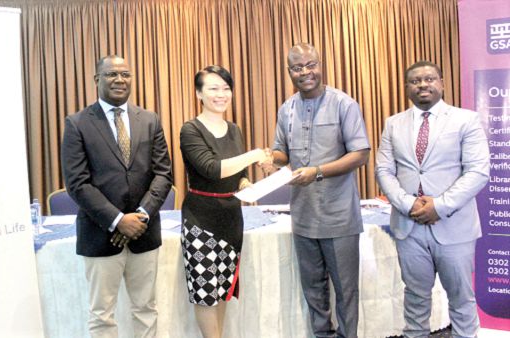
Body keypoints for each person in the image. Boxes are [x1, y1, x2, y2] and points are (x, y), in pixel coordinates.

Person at [261, 43, 370, 338]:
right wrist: (272, 160)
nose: (305, 72)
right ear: (289, 72)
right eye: (297, 68)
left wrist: (318, 172)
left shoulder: (344, 104)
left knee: (346, 291)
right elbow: (281, 150)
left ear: (321, 65)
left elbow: (360, 153)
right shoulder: (287, 108)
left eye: (311, 65)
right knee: (314, 291)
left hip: (339, 217)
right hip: (304, 217)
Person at [61, 55, 173, 338]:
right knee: (102, 315)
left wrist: (140, 216)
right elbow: (77, 183)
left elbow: (163, 175)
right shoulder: (77, 123)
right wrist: (118, 220)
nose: (120, 80)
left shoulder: (149, 119)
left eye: (125, 74)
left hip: (144, 233)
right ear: (97, 80)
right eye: (111, 74)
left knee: (146, 309)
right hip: (100, 234)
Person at [375, 61, 489, 338]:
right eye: (415, 81)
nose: (423, 85)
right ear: (406, 88)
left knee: (461, 300)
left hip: (454, 226)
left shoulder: (466, 120)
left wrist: (440, 205)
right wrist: (407, 203)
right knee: (415, 299)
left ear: (442, 82)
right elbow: (384, 170)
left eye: (429, 79)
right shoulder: (393, 124)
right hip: (408, 226)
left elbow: (478, 171)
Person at [180, 65, 269, 338]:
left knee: (222, 290)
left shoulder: (234, 129)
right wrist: (256, 154)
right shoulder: (190, 130)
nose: (221, 94)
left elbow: (238, 175)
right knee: (205, 293)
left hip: (231, 220)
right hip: (201, 222)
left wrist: (246, 185)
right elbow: (212, 169)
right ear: (199, 93)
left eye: (226, 88)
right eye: (213, 88)